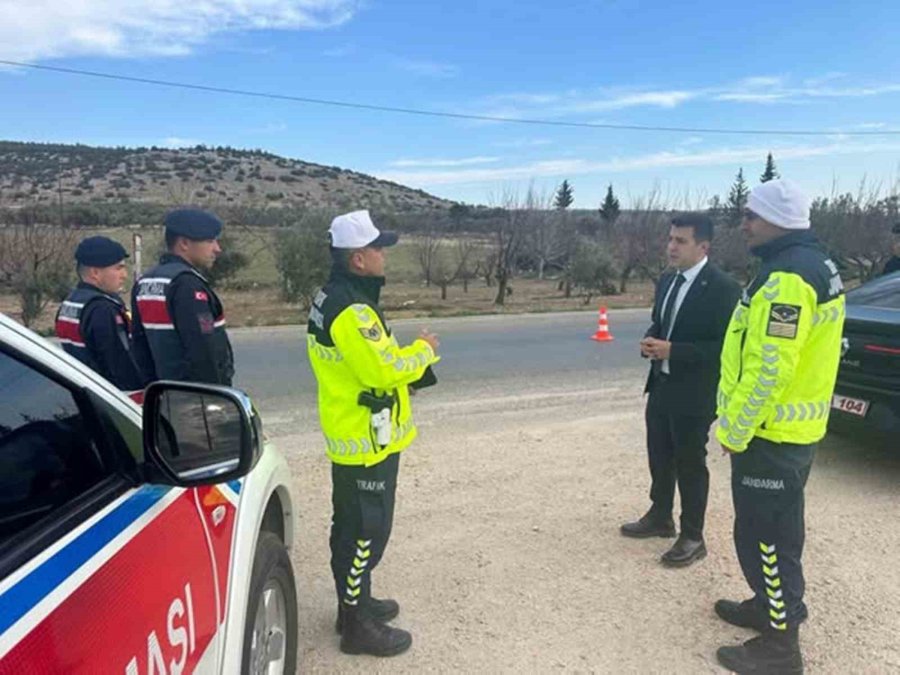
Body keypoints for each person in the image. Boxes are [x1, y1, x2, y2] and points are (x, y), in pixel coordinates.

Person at [714, 180, 845, 674]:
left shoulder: (789, 276)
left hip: (771, 435)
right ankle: (769, 606)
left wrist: (735, 430)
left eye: (751, 215)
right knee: (780, 528)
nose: (744, 223)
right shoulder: (813, 262)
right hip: (790, 433)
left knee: (765, 536)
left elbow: (771, 368)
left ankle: (780, 647)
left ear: (775, 219)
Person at [306, 210, 440, 657]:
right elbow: (380, 371)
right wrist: (423, 354)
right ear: (358, 259)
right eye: (378, 248)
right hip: (366, 442)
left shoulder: (337, 296)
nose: (385, 256)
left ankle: (355, 603)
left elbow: (368, 360)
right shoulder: (351, 309)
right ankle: (357, 626)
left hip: (360, 435)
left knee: (352, 527)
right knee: (365, 531)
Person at [621, 214, 741, 567]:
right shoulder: (666, 280)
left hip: (695, 391)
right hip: (661, 384)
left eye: (681, 241)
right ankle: (661, 517)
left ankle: (693, 536)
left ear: (703, 246)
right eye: (671, 239)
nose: (672, 246)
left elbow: (725, 349)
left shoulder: (724, 288)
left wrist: (675, 350)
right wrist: (652, 339)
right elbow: (663, 321)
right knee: (659, 454)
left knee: (690, 463)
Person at [131, 208, 234, 386]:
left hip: (165, 395)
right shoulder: (187, 285)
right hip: (196, 398)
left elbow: (140, 350)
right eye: (210, 241)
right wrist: (217, 397)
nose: (217, 249)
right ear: (184, 243)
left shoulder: (145, 282)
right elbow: (203, 351)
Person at [55, 236, 149, 397]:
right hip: (115, 397)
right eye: (118, 268)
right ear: (95, 273)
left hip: (85, 393)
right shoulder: (102, 309)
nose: (124, 275)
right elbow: (122, 366)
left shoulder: (70, 303)